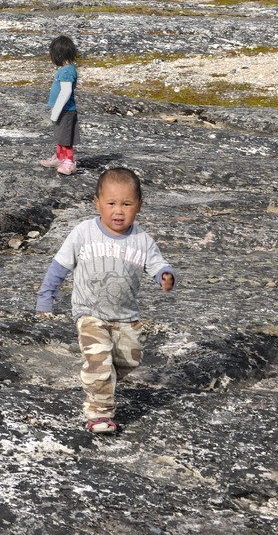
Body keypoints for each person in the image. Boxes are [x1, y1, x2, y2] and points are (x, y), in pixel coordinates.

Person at [35, 167, 176, 434]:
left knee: (129, 361)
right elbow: (59, 266)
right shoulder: (83, 232)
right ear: (97, 203)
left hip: (126, 316)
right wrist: (46, 298)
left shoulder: (142, 240)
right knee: (99, 361)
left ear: (139, 206)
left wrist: (165, 276)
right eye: (111, 204)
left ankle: (98, 382)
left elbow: (158, 264)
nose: (118, 211)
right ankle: (99, 414)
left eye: (127, 204)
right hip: (89, 313)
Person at [41, 34, 80, 175]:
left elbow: (66, 92)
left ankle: (69, 162)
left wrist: (56, 111)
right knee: (60, 136)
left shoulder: (67, 71)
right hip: (63, 110)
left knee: (65, 138)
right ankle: (59, 157)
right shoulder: (66, 70)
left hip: (66, 110)